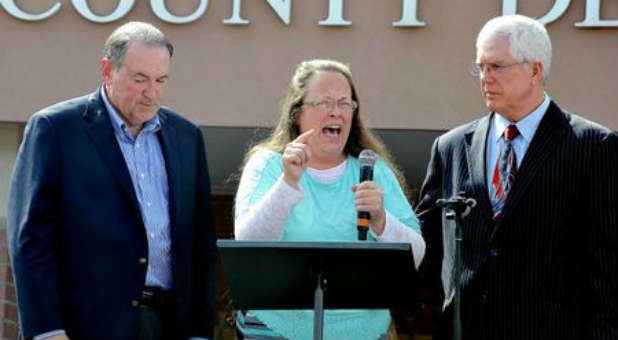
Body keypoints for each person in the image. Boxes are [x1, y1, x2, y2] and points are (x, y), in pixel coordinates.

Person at [7, 22, 217, 340]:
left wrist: (200, 332)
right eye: (140, 79)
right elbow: (31, 239)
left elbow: (200, 243)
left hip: (168, 325)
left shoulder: (186, 137)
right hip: (83, 328)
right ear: (108, 70)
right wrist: (48, 331)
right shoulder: (55, 129)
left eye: (161, 80)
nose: (152, 92)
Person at [416, 14, 618, 339]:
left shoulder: (594, 147)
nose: (485, 78)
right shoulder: (450, 147)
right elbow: (425, 251)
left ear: (535, 70)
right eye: (480, 67)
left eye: (496, 67)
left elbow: (609, 268)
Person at [233, 59, 426, 340]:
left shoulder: (373, 170)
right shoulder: (268, 165)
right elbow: (248, 245)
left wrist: (382, 221)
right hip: (277, 328)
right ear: (297, 113)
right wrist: (288, 183)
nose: (337, 112)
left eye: (345, 104)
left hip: (363, 331)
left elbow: (416, 255)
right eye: (325, 102)